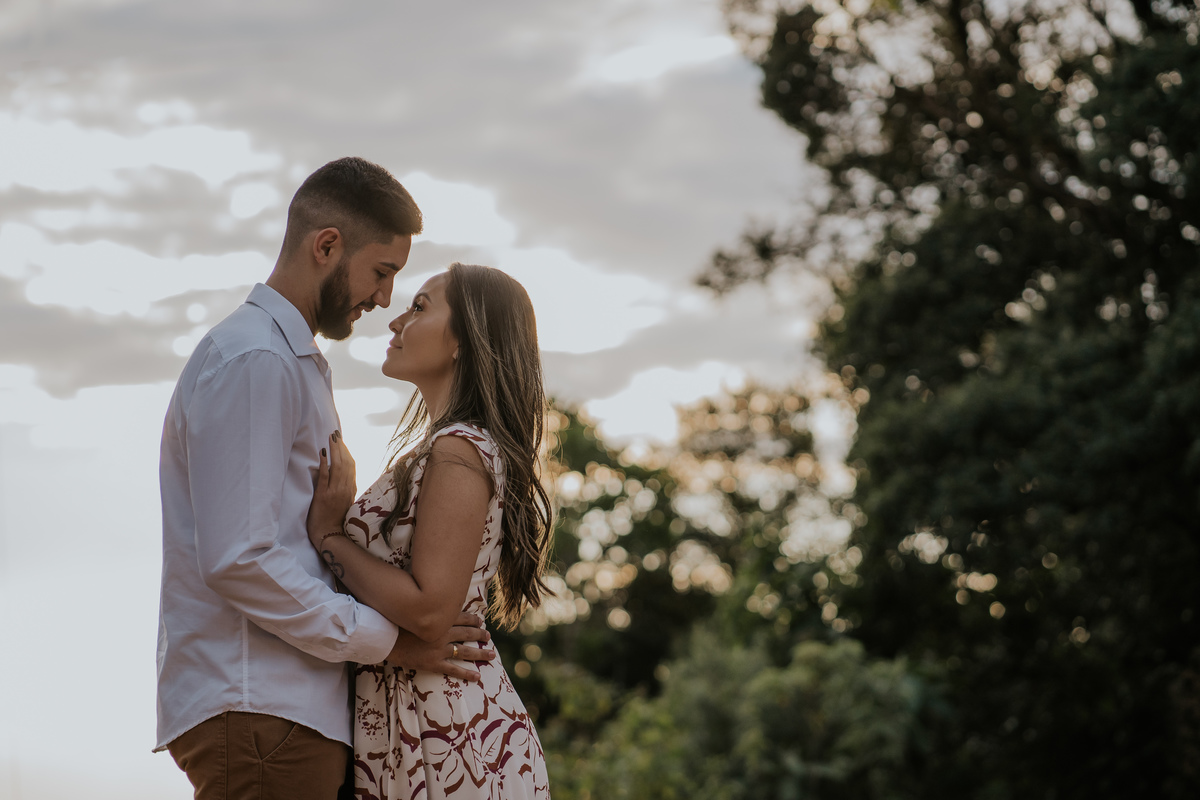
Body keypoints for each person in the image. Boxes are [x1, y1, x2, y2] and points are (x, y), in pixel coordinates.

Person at [156, 158, 495, 800]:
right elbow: (241, 559)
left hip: (283, 711)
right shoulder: (257, 359)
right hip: (262, 709)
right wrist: (388, 644)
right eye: (382, 271)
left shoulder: (288, 361)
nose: (385, 298)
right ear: (327, 246)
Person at [306, 262, 553, 799]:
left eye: (419, 307)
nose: (395, 321)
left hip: (448, 730)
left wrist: (331, 537)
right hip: (427, 719)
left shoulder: (458, 449)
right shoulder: (445, 449)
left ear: (466, 340)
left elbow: (429, 609)